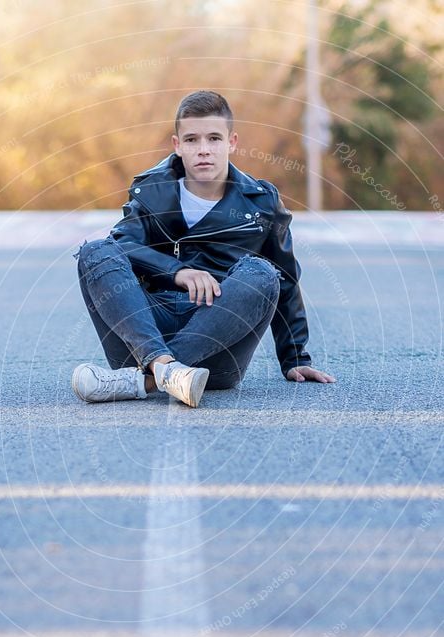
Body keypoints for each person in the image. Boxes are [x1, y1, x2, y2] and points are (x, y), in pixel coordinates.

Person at [73, 89, 335, 408]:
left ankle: (143, 380)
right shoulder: (151, 190)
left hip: (218, 350)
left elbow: (287, 280)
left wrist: (294, 357)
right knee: (96, 250)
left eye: (214, 138)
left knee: (263, 273)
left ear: (232, 142)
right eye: (192, 140)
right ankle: (165, 369)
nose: (204, 150)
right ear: (177, 145)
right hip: (145, 335)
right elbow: (123, 245)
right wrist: (178, 272)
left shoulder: (262, 202)